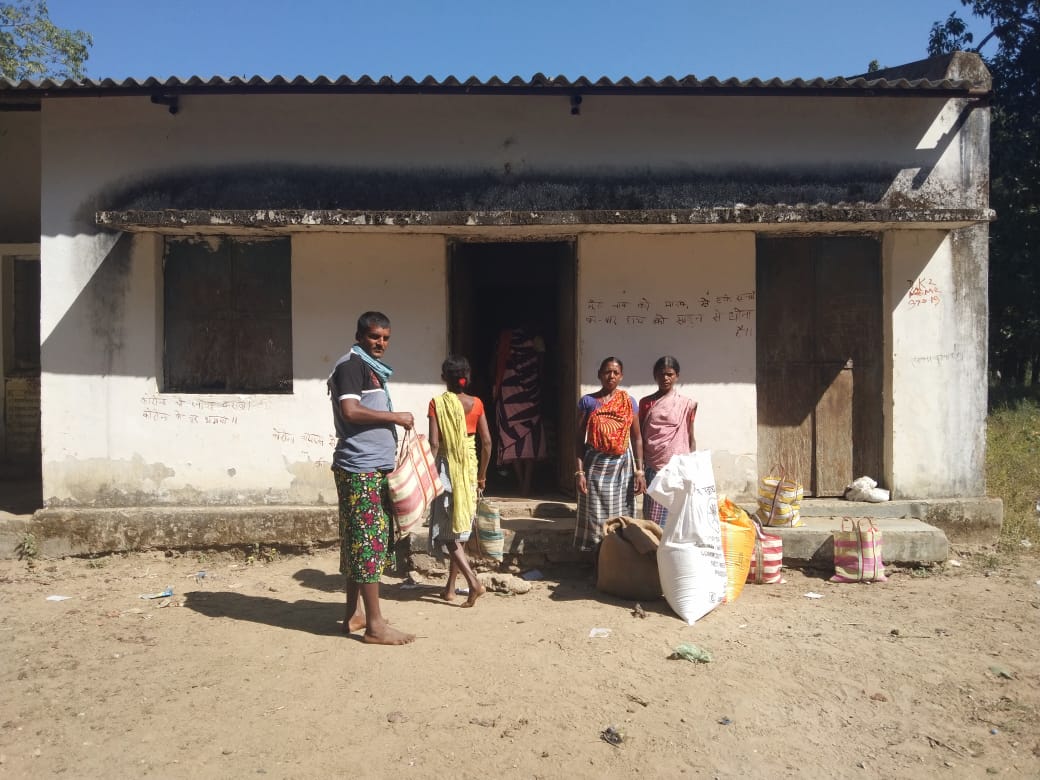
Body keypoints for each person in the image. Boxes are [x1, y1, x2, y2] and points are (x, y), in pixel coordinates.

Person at [328, 311, 416, 645]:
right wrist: (394, 416)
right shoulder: (351, 367)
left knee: (359, 542)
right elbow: (350, 411)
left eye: (385, 338)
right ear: (360, 335)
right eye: (374, 337)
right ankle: (375, 626)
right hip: (360, 468)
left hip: (369, 467)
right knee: (368, 544)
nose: (381, 343)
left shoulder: (370, 368)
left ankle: (355, 615)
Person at [428, 356, 491, 607]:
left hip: (446, 467)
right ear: (468, 377)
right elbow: (486, 442)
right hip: (470, 467)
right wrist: (482, 474)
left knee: (447, 533)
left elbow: (434, 443)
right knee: (460, 526)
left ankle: (473, 582)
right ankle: (450, 588)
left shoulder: (437, 404)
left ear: (444, 378)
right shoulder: (477, 404)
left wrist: (428, 473)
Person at [574, 356, 647, 552]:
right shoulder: (588, 402)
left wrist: (640, 472)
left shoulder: (629, 402)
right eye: (607, 371)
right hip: (594, 467)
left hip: (622, 469)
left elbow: (637, 438)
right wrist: (579, 473)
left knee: (621, 516)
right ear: (599, 375)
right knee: (595, 518)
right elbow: (578, 439)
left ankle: (619, 559)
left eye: (616, 372)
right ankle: (598, 562)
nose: (611, 376)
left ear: (621, 376)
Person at [639, 356, 698, 528]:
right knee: (653, 518)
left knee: (676, 517)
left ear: (677, 376)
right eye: (661, 374)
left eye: (670, 374)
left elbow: (689, 436)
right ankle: (653, 551)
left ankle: (670, 554)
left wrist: (693, 466)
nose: (665, 378)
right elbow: (641, 437)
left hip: (677, 468)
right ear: (654, 376)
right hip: (653, 467)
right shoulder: (646, 403)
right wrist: (640, 469)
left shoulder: (687, 404)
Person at [493, 325, 548, 496]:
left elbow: (496, 363)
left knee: (516, 437)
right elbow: (541, 366)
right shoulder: (535, 339)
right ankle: (525, 483)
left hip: (512, 392)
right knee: (528, 437)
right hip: (524, 392)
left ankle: (523, 483)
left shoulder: (505, 337)